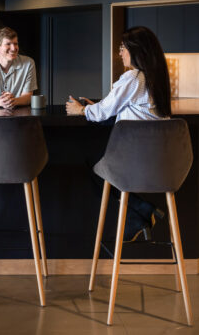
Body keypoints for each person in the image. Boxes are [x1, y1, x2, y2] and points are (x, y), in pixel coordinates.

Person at [65, 26, 172, 240]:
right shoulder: (155, 78)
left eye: (123, 47)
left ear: (136, 50)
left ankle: (142, 210)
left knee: (92, 167)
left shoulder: (133, 78)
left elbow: (103, 112)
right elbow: (125, 107)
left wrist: (81, 110)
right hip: (162, 160)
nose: (120, 52)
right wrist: (98, 107)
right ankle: (140, 213)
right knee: (100, 167)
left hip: (135, 160)